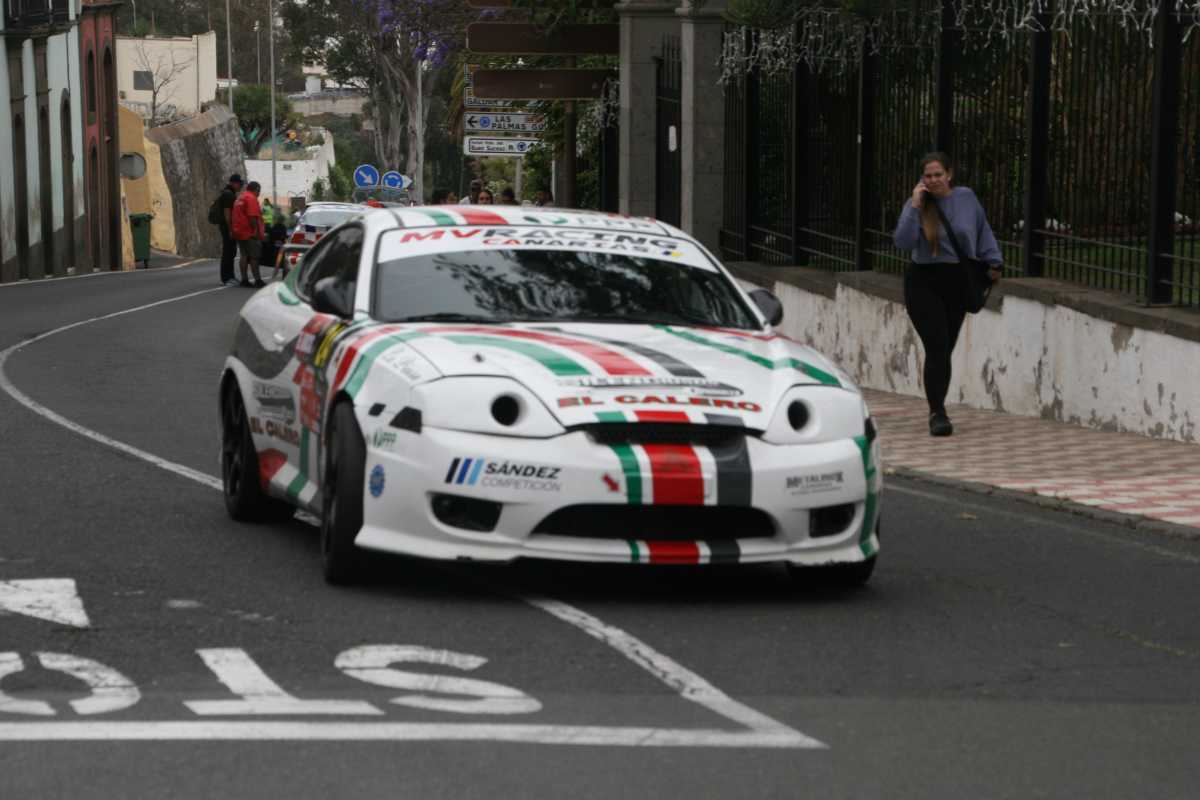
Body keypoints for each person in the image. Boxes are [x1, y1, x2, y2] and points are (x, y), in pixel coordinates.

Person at [893, 152, 1003, 437]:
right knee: (937, 346)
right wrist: (915, 206)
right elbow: (903, 242)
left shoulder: (966, 198)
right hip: (923, 281)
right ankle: (937, 413)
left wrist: (994, 261)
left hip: (957, 281)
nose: (933, 180)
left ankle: (937, 405)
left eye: (938, 175)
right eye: (928, 176)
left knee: (946, 348)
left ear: (949, 174)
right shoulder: (917, 204)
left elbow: (982, 230)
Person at [231, 180, 267, 288]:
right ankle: (257, 280)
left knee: (244, 256)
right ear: (256, 189)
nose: (259, 194)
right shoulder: (251, 198)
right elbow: (252, 216)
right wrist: (255, 231)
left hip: (239, 231)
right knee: (254, 257)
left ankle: (244, 280)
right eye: (259, 191)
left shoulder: (240, 198)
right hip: (249, 232)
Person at [215, 173, 242, 285]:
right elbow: (227, 214)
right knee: (228, 252)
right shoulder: (228, 194)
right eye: (239, 183)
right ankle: (227, 278)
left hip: (227, 226)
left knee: (231, 251)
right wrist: (231, 229)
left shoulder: (229, 193)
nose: (240, 186)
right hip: (227, 227)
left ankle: (230, 276)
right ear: (234, 183)